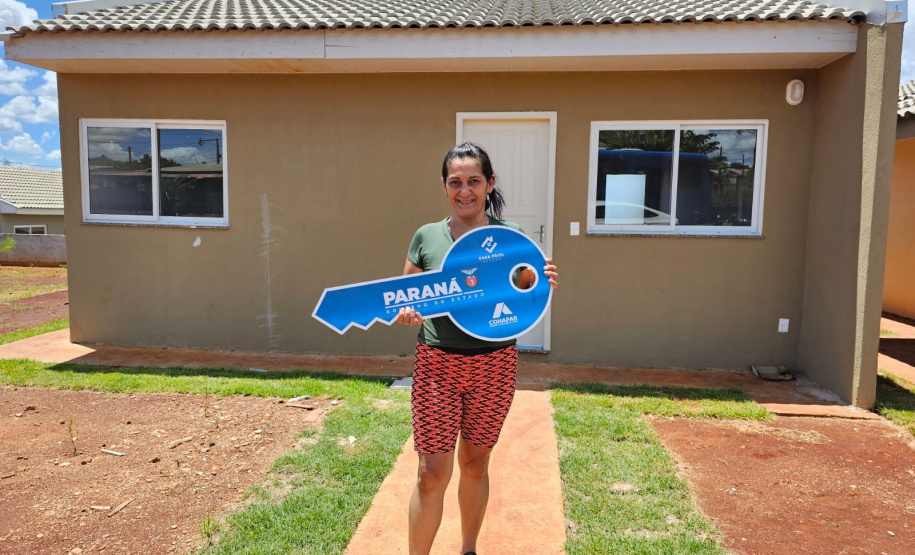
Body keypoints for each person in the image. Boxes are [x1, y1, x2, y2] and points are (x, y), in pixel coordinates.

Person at [395, 142, 558, 555]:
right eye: (455, 182)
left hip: (495, 365)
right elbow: (407, 293)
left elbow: (526, 290)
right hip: (437, 365)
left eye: (473, 181)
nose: (464, 191)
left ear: (489, 184)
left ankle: (468, 549)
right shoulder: (426, 236)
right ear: (444, 186)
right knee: (430, 474)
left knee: (474, 465)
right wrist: (408, 309)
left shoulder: (513, 238)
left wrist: (542, 279)